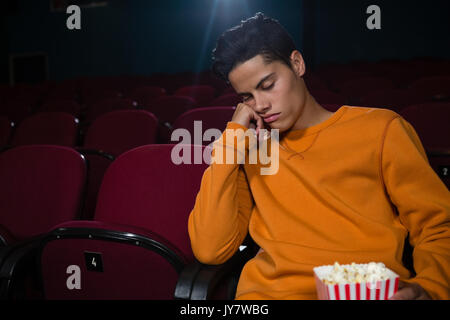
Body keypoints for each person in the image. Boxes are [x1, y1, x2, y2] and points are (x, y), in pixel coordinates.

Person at [188, 12, 450, 300]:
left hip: (363, 292)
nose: (260, 104)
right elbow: (210, 249)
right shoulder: (250, 150)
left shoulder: (381, 129)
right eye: (246, 97)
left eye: (267, 85)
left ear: (297, 64)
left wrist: (431, 288)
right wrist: (233, 139)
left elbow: (438, 228)